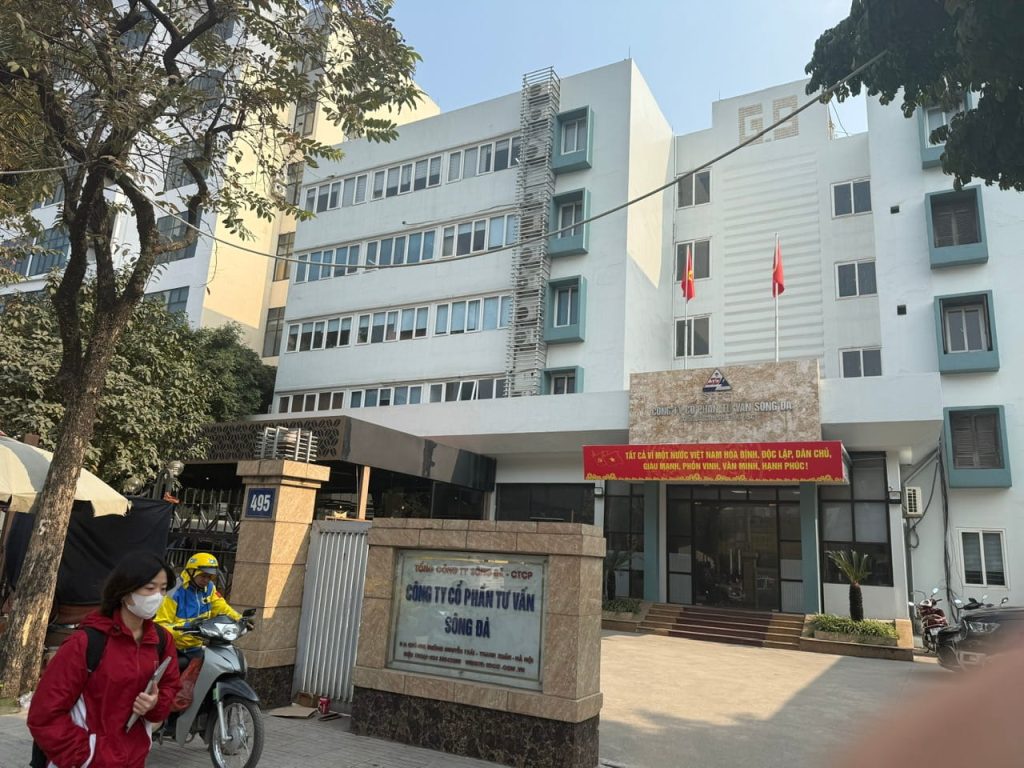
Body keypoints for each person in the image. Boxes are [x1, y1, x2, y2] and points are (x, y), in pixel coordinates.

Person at [27, 551, 182, 768]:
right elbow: (43, 714)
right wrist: (87, 754)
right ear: (125, 591)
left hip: (133, 760)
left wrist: (155, 704)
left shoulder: (161, 640)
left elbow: (169, 687)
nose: (157, 596)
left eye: (163, 589)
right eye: (150, 588)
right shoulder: (86, 642)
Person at [156, 552, 240, 654]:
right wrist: (187, 627)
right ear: (192, 572)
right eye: (203, 575)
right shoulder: (173, 592)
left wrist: (239, 619)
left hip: (199, 646)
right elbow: (159, 628)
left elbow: (221, 607)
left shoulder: (209, 588)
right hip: (175, 649)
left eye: (210, 577)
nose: (206, 580)